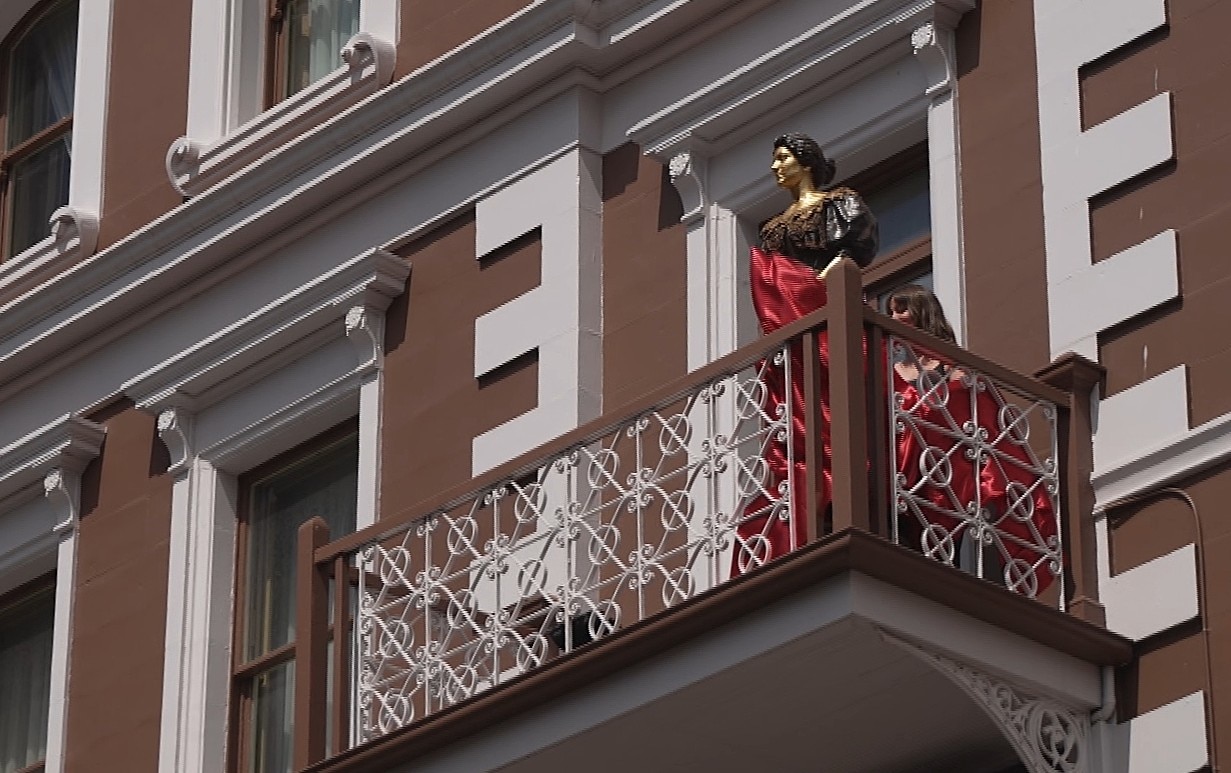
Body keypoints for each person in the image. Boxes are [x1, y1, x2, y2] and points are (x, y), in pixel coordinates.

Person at [735, 133, 878, 574]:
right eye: (775, 159)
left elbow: (852, 253)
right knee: (797, 400)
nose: (776, 168)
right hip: (792, 326)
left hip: (822, 310)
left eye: (783, 159)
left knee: (834, 387)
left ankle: (843, 476)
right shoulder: (773, 229)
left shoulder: (841, 205)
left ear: (806, 161)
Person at [887, 285, 1059, 595]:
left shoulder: (949, 363)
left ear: (924, 311)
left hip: (954, 459)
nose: (895, 317)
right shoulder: (893, 370)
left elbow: (975, 408)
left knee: (968, 517)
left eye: (903, 308)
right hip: (914, 461)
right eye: (892, 311)